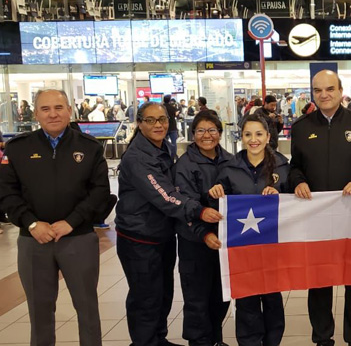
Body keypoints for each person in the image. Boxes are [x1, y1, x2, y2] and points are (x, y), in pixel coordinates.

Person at [0, 89, 111, 345]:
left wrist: (72, 221)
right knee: (40, 312)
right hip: (34, 241)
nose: (53, 114)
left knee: (87, 309)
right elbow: (6, 194)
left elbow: (100, 192)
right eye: (46, 109)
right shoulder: (18, 148)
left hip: (78, 239)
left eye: (59, 107)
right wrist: (32, 223)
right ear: (36, 113)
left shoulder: (89, 148)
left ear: (69, 110)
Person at [114, 102, 223, 346]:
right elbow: (164, 195)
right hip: (138, 238)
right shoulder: (137, 157)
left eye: (162, 119)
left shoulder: (163, 147)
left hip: (160, 234)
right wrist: (199, 210)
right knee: (146, 297)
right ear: (140, 123)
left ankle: (157, 339)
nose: (158, 125)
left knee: (162, 293)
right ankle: (145, 342)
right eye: (151, 120)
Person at [289, 69, 351, 346]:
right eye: (318, 90)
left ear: (341, 91)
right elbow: (294, 167)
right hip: (315, 216)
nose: (324, 95)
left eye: (330, 89)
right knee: (318, 280)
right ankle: (322, 338)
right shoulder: (301, 127)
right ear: (312, 93)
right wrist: (298, 182)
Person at [209, 113, 289, 346]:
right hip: (242, 248)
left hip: (273, 246)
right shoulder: (229, 168)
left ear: (267, 137)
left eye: (258, 134)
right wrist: (215, 193)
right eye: (247, 134)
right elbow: (219, 204)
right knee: (246, 300)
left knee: (272, 298)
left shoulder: (283, 166)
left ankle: (272, 342)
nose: (253, 139)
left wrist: (280, 196)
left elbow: (297, 202)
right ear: (241, 137)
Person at [173, 111, 234, 346]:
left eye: (212, 130)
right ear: (193, 134)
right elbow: (182, 208)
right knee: (197, 299)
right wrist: (204, 233)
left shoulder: (231, 161)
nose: (206, 135)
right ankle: (199, 342)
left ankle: (216, 340)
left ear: (220, 132)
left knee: (221, 297)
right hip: (195, 243)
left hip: (224, 243)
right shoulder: (184, 166)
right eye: (200, 131)